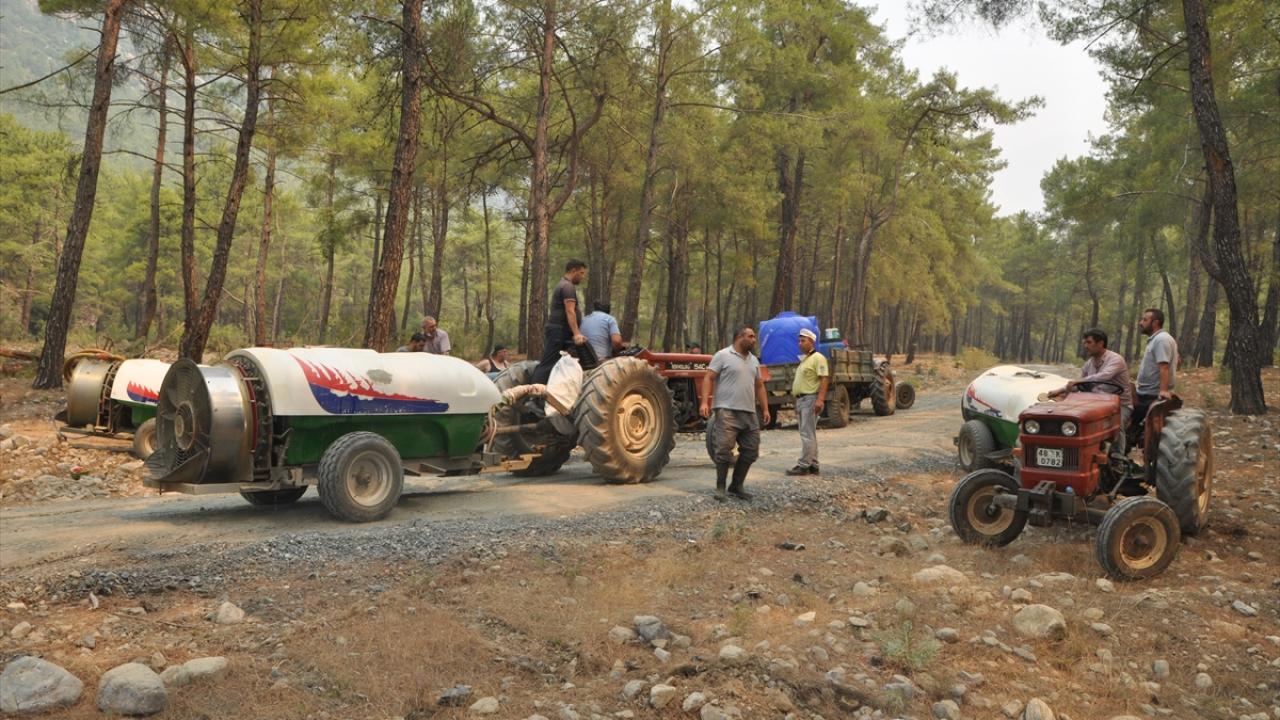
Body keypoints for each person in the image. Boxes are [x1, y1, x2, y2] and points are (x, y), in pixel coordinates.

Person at [700, 325, 771, 502]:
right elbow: (709, 377)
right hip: (727, 410)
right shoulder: (723, 355)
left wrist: (765, 408)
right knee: (724, 451)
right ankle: (720, 488)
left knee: (751, 451)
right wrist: (704, 402)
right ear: (740, 337)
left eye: (754, 337)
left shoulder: (754, 360)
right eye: (751, 336)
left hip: (749, 412)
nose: (754, 340)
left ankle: (736, 486)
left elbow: (759, 386)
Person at [1050, 327, 1134, 454]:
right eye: (1084, 342)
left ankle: (1117, 458)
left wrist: (1080, 382)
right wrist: (1061, 390)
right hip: (1095, 403)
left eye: (1089, 342)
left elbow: (1104, 376)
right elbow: (1079, 383)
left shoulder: (1115, 359)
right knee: (1077, 419)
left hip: (1119, 404)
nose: (1085, 346)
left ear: (1100, 343)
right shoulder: (1089, 363)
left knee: (1117, 425)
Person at [533, 259, 588, 384]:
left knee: (562, 362)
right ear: (573, 271)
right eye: (581, 273)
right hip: (559, 331)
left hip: (561, 331)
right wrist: (577, 334)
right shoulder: (567, 286)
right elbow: (570, 311)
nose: (583, 277)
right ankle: (534, 391)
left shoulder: (563, 285)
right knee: (548, 364)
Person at [786, 328, 830, 476]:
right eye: (799, 341)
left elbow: (824, 378)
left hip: (810, 399)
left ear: (812, 341)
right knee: (810, 433)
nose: (800, 343)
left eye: (803, 340)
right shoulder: (805, 360)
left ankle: (803, 465)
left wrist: (820, 400)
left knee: (807, 434)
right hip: (802, 400)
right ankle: (813, 464)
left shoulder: (818, 358)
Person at [1132, 308, 1177, 438]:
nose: (1141, 323)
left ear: (1155, 322)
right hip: (1145, 392)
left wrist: (1163, 391)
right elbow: (1176, 361)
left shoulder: (1161, 339)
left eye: (1145, 320)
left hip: (1151, 395)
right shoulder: (1157, 339)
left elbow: (1164, 366)